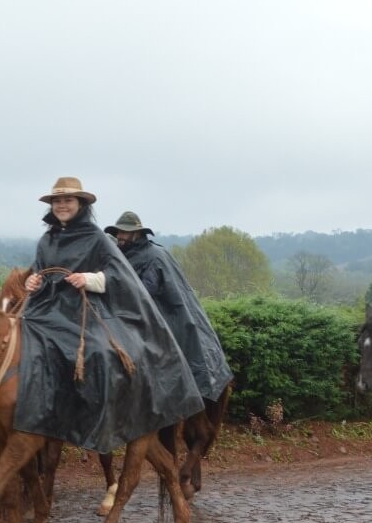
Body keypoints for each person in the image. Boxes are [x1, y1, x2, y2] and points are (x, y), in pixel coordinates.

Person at [19, 177, 202, 452]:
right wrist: (33, 282)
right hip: (48, 310)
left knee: (100, 353)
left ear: (80, 204)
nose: (62, 206)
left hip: (85, 311)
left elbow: (120, 275)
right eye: (57, 201)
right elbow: (41, 270)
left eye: (68, 200)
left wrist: (89, 279)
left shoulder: (96, 237)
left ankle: (102, 422)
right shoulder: (47, 239)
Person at [104, 211, 233, 402]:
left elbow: (143, 294)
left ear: (137, 234)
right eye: (119, 232)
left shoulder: (153, 256)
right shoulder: (127, 256)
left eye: (125, 232)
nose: (120, 236)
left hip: (166, 317)